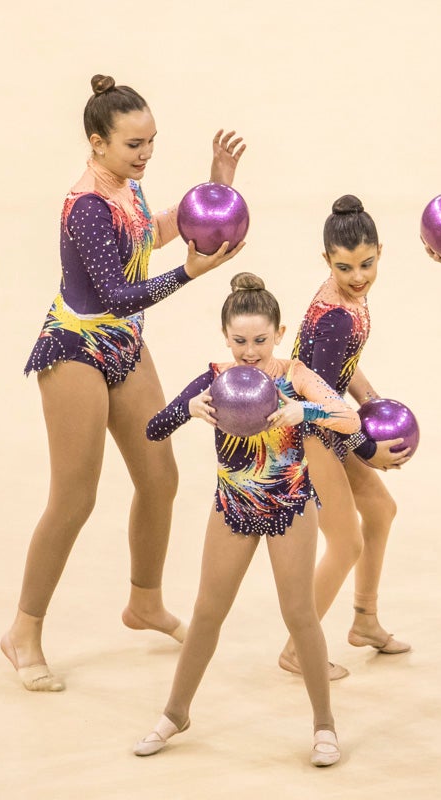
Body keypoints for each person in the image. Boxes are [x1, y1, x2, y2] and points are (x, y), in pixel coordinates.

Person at [0, 74, 246, 692]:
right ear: (97, 142)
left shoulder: (127, 189)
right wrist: (190, 273)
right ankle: (23, 631)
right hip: (77, 345)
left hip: (124, 344)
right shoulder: (86, 204)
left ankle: (144, 602)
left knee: (161, 478)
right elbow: (115, 293)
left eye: (152, 142)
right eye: (133, 143)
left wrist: (215, 190)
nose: (145, 153)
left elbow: (150, 231)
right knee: (74, 498)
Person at [134, 272, 356, 766]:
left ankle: (324, 725)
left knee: (300, 615)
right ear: (225, 337)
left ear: (278, 333)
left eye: (260, 340)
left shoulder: (295, 374)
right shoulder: (215, 376)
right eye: (240, 341)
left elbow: (350, 419)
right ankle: (175, 712)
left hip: (289, 507)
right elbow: (153, 428)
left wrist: (305, 413)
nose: (250, 351)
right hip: (233, 509)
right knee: (208, 614)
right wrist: (189, 408)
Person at [275, 195, 413, 681]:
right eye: (345, 267)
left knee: (380, 508)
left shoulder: (347, 300)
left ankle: (365, 620)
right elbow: (320, 398)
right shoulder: (335, 316)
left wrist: (371, 397)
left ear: (380, 250)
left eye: (367, 264)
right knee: (345, 543)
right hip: (312, 431)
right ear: (326, 260)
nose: (358, 276)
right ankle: (297, 647)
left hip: (330, 422)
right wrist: (367, 447)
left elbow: (336, 376)